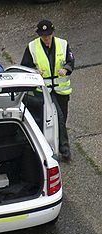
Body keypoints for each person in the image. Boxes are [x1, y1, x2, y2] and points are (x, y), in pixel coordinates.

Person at [21, 19, 74, 161]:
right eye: (43, 36)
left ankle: (55, 146)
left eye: (48, 35)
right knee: (57, 119)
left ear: (52, 33)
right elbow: (24, 67)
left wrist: (66, 69)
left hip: (61, 91)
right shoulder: (32, 47)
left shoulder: (63, 44)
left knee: (62, 118)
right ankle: (63, 149)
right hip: (44, 92)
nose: (46, 38)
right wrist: (34, 71)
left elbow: (71, 61)